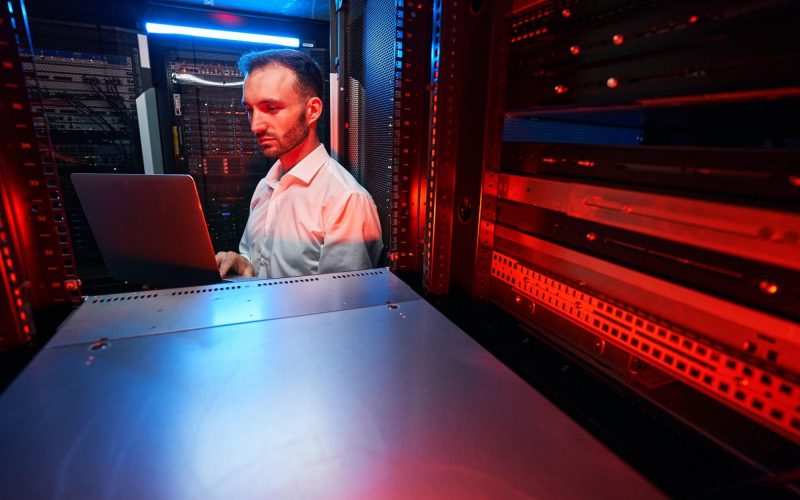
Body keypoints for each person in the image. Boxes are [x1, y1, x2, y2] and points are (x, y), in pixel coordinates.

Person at [215, 49, 383, 279]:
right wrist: (241, 263)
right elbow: (255, 265)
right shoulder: (266, 187)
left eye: (271, 108)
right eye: (249, 110)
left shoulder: (345, 201)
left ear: (312, 110)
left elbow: (342, 307)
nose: (255, 126)